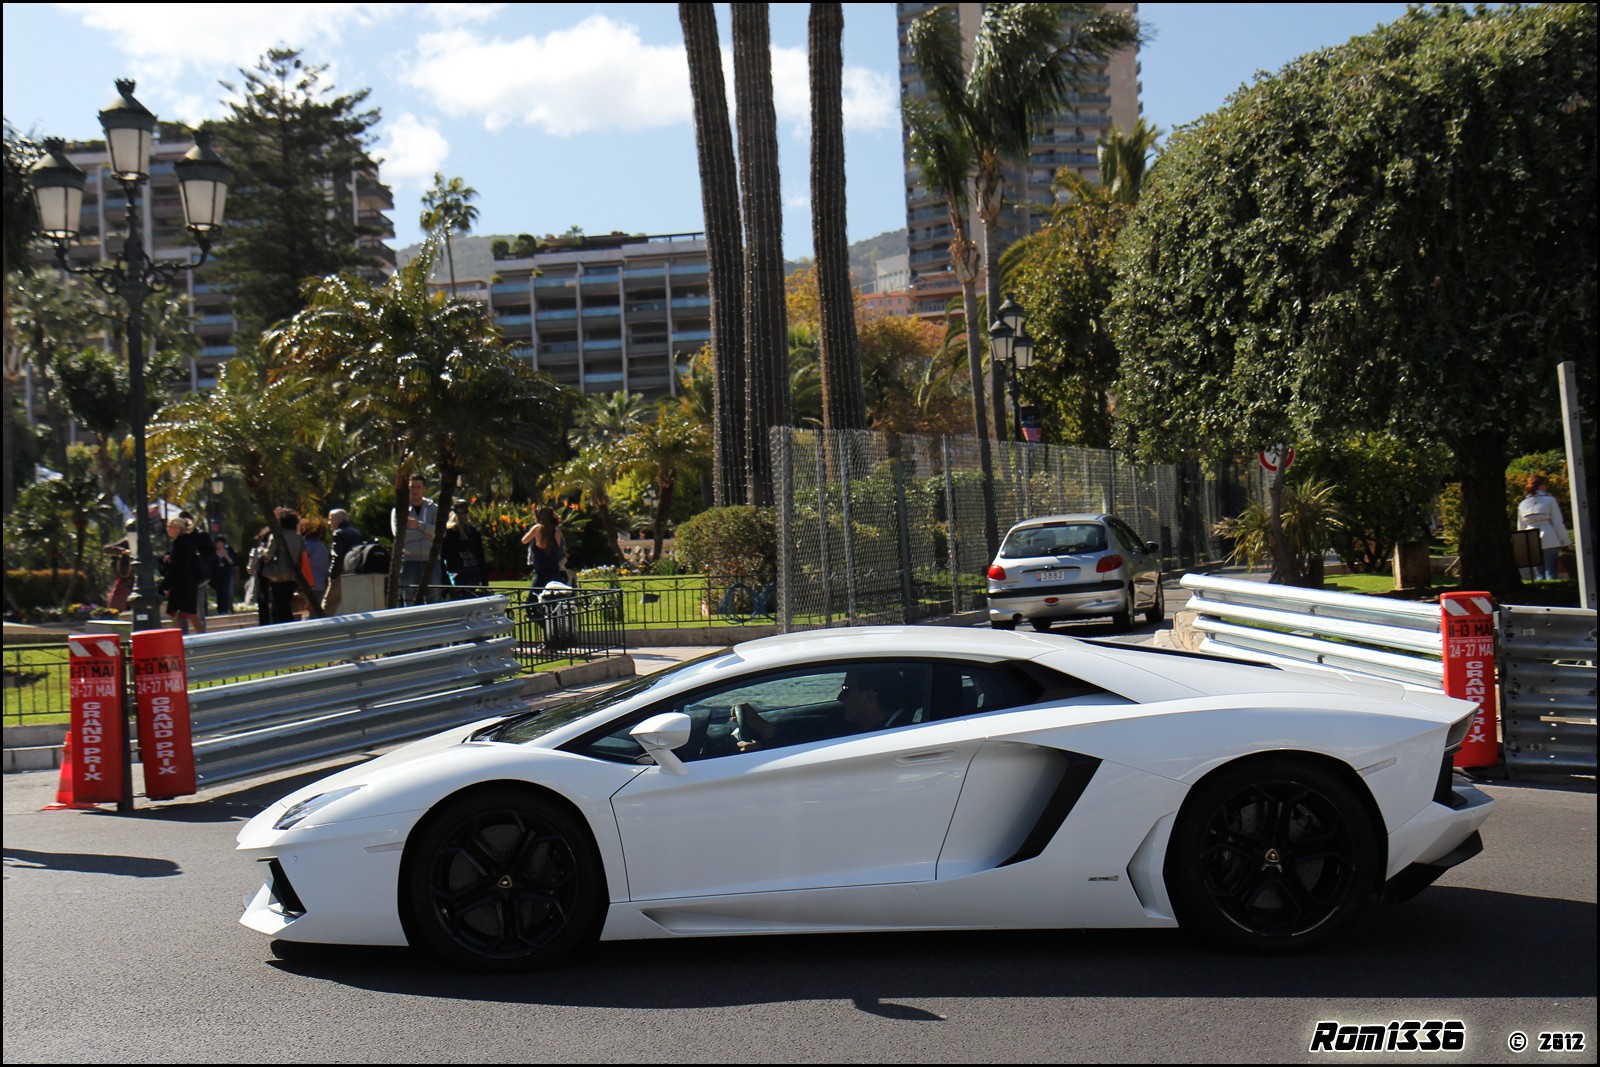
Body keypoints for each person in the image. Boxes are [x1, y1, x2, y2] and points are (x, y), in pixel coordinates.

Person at [734, 665, 906, 753]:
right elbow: (812, 743)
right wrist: (763, 728)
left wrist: (764, 754)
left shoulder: (884, 741)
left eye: (846, 690)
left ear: (868, 696)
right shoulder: (863, 729)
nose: (840, 698)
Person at [393, 474, 441, 605]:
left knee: (434, 601)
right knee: (410, 602)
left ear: (423, 489)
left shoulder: (434, 509)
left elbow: (441, 532)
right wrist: (426, 532)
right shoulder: (399, 510)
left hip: (432, 561)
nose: (415, 490)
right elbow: (399, 535)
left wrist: (419, 526)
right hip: (409, 562)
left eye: (418, 487)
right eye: (412, 487)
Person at [158, 516, 208, 634]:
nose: (168, 529)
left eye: (170, 527)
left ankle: (185, 638)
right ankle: (195, 636)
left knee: (179, 612)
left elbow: (177, 567)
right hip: (187, 582)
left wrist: (165, 586)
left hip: (182, 584)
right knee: (186, 612)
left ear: (178, 528)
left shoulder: (180, 543)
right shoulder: (187, 542)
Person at [1517, 473, 1571, 581]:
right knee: (1551, 571)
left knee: (1539, 573)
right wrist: (1566, 542)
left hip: (1531, 538)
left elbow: (1521, 527)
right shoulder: (1550, 500)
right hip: (1549, 537)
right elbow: (1558, 523)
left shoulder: (1523, 503)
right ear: (1542, 486)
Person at [261, 509, 306, 625]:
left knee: (279, 605)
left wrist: (262, 554)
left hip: (277, 576)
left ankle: (286, 626)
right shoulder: (299, 538)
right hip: (293, 576)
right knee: (286, 602)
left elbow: (268, 556)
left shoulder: (277, 536)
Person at [323, 508, 364, 615]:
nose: (329, 523)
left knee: (328, 604)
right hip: (354, 571)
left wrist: (332, 574)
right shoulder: (356, 532)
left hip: (341, 572)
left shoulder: (339, 533)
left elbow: (337, 556)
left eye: (330, 519)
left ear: (338, 520)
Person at [442, 503, 488, 590]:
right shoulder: (450, 533)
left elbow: (480, 556)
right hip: (459, 572)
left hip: (468, 571)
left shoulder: (472, 532)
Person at [521, 505, 567, 591]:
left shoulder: (537, 528)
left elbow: (524, 540)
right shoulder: (557, 531)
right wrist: (557, 517)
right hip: (554, 569)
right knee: (555, 598)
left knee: (533, 601)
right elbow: (561, 523)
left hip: (541, 570)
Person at [104, 522, 135, 613]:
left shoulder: (144, 542)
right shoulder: (126, 542)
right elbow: (107, 549)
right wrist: (123, 551)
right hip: (125, 580)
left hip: (139, 580)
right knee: (121, 605)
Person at [300, 518, 330, 607]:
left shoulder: (305, 546)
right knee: (315, 612)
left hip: (306, 584)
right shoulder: (323, 547)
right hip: (320, 584)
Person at [212, 535, 238, 615]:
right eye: (218, 543)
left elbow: (232, 563)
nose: (219, 545)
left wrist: (226, 556)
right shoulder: (214, 553)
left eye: (221, 543)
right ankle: (220, 609)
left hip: (227, 573)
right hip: (217, 575)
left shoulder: (228, 552)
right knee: (219, 592)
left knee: (226, 591)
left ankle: (226, 609)